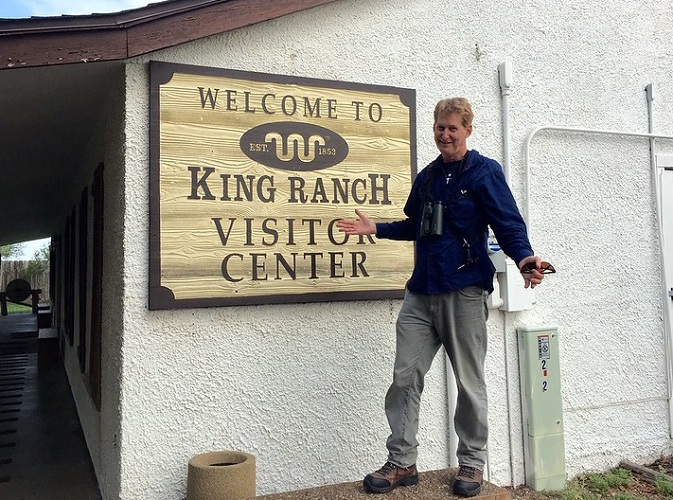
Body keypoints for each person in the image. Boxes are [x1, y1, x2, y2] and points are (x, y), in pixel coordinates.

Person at [336, 97, 548, 497]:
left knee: (469, 383)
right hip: (421, 291)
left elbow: (508, 226)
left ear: (468, 129)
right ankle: (402, 462)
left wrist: (524, 259)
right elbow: (414, 225)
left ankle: (471, 463)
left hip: (465, 291)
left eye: (453, 128)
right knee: (404, 378)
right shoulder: (428, 177)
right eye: (439, 128)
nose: (445, 135)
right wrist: (375, 228)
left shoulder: (486, 173)